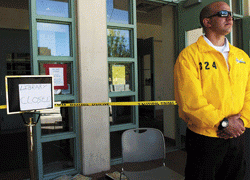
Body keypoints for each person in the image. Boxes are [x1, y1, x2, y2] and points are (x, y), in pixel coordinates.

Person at [174, 1, 250, 180]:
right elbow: (190, 102)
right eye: (223, 14)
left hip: (239, 135)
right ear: (207, 22)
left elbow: (249, 93)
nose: (230, 17)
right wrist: (224, 124)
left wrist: (242, 123)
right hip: (205, 138)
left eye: (230, 13)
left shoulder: (242, 57)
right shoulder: (189, 56)